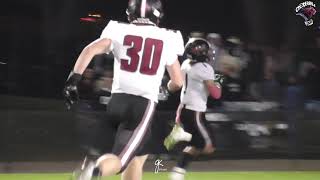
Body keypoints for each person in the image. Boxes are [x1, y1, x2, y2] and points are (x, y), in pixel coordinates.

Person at [62, 0, 185, 179]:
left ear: (130, 13)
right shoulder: (167, 37)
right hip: (142, 106)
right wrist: (167, 87)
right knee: (119, 161)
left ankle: (96, 165)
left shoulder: (118, 30)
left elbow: (90, 50)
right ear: (157, 15)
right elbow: (178, 81)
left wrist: (73, 80)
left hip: (117, 102)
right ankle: (94, 172)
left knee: (138, 156)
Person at [164, 38, 223, 180]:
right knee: (209, 146)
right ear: (201, 53)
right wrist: (219, 81)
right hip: (195, 112)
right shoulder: (205, 68)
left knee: (196, 144)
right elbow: (216, 94)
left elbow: (175, 85)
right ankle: (183, 135)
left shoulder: (185, 64)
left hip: (183, 109)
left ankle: (178, 172)